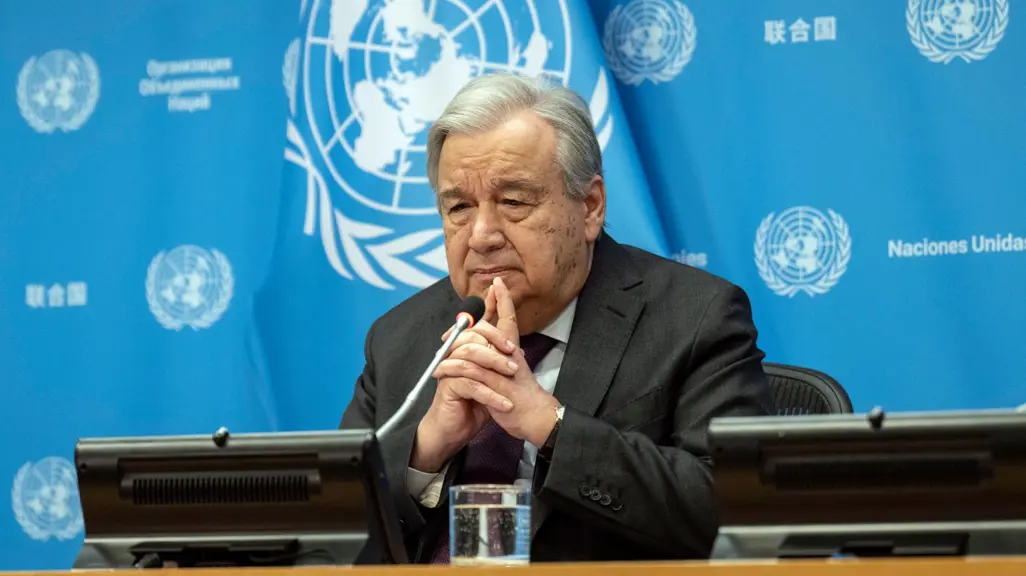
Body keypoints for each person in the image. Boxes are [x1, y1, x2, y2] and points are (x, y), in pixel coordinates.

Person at [339, 73, 774, 563]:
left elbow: (733, 507)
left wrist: (550, 424)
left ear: (589, 207)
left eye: (513, 202)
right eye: (459, 207)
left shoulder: (693, 317)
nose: (481, 235)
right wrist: (425, 451)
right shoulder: (401, 338)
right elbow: (328, 533)